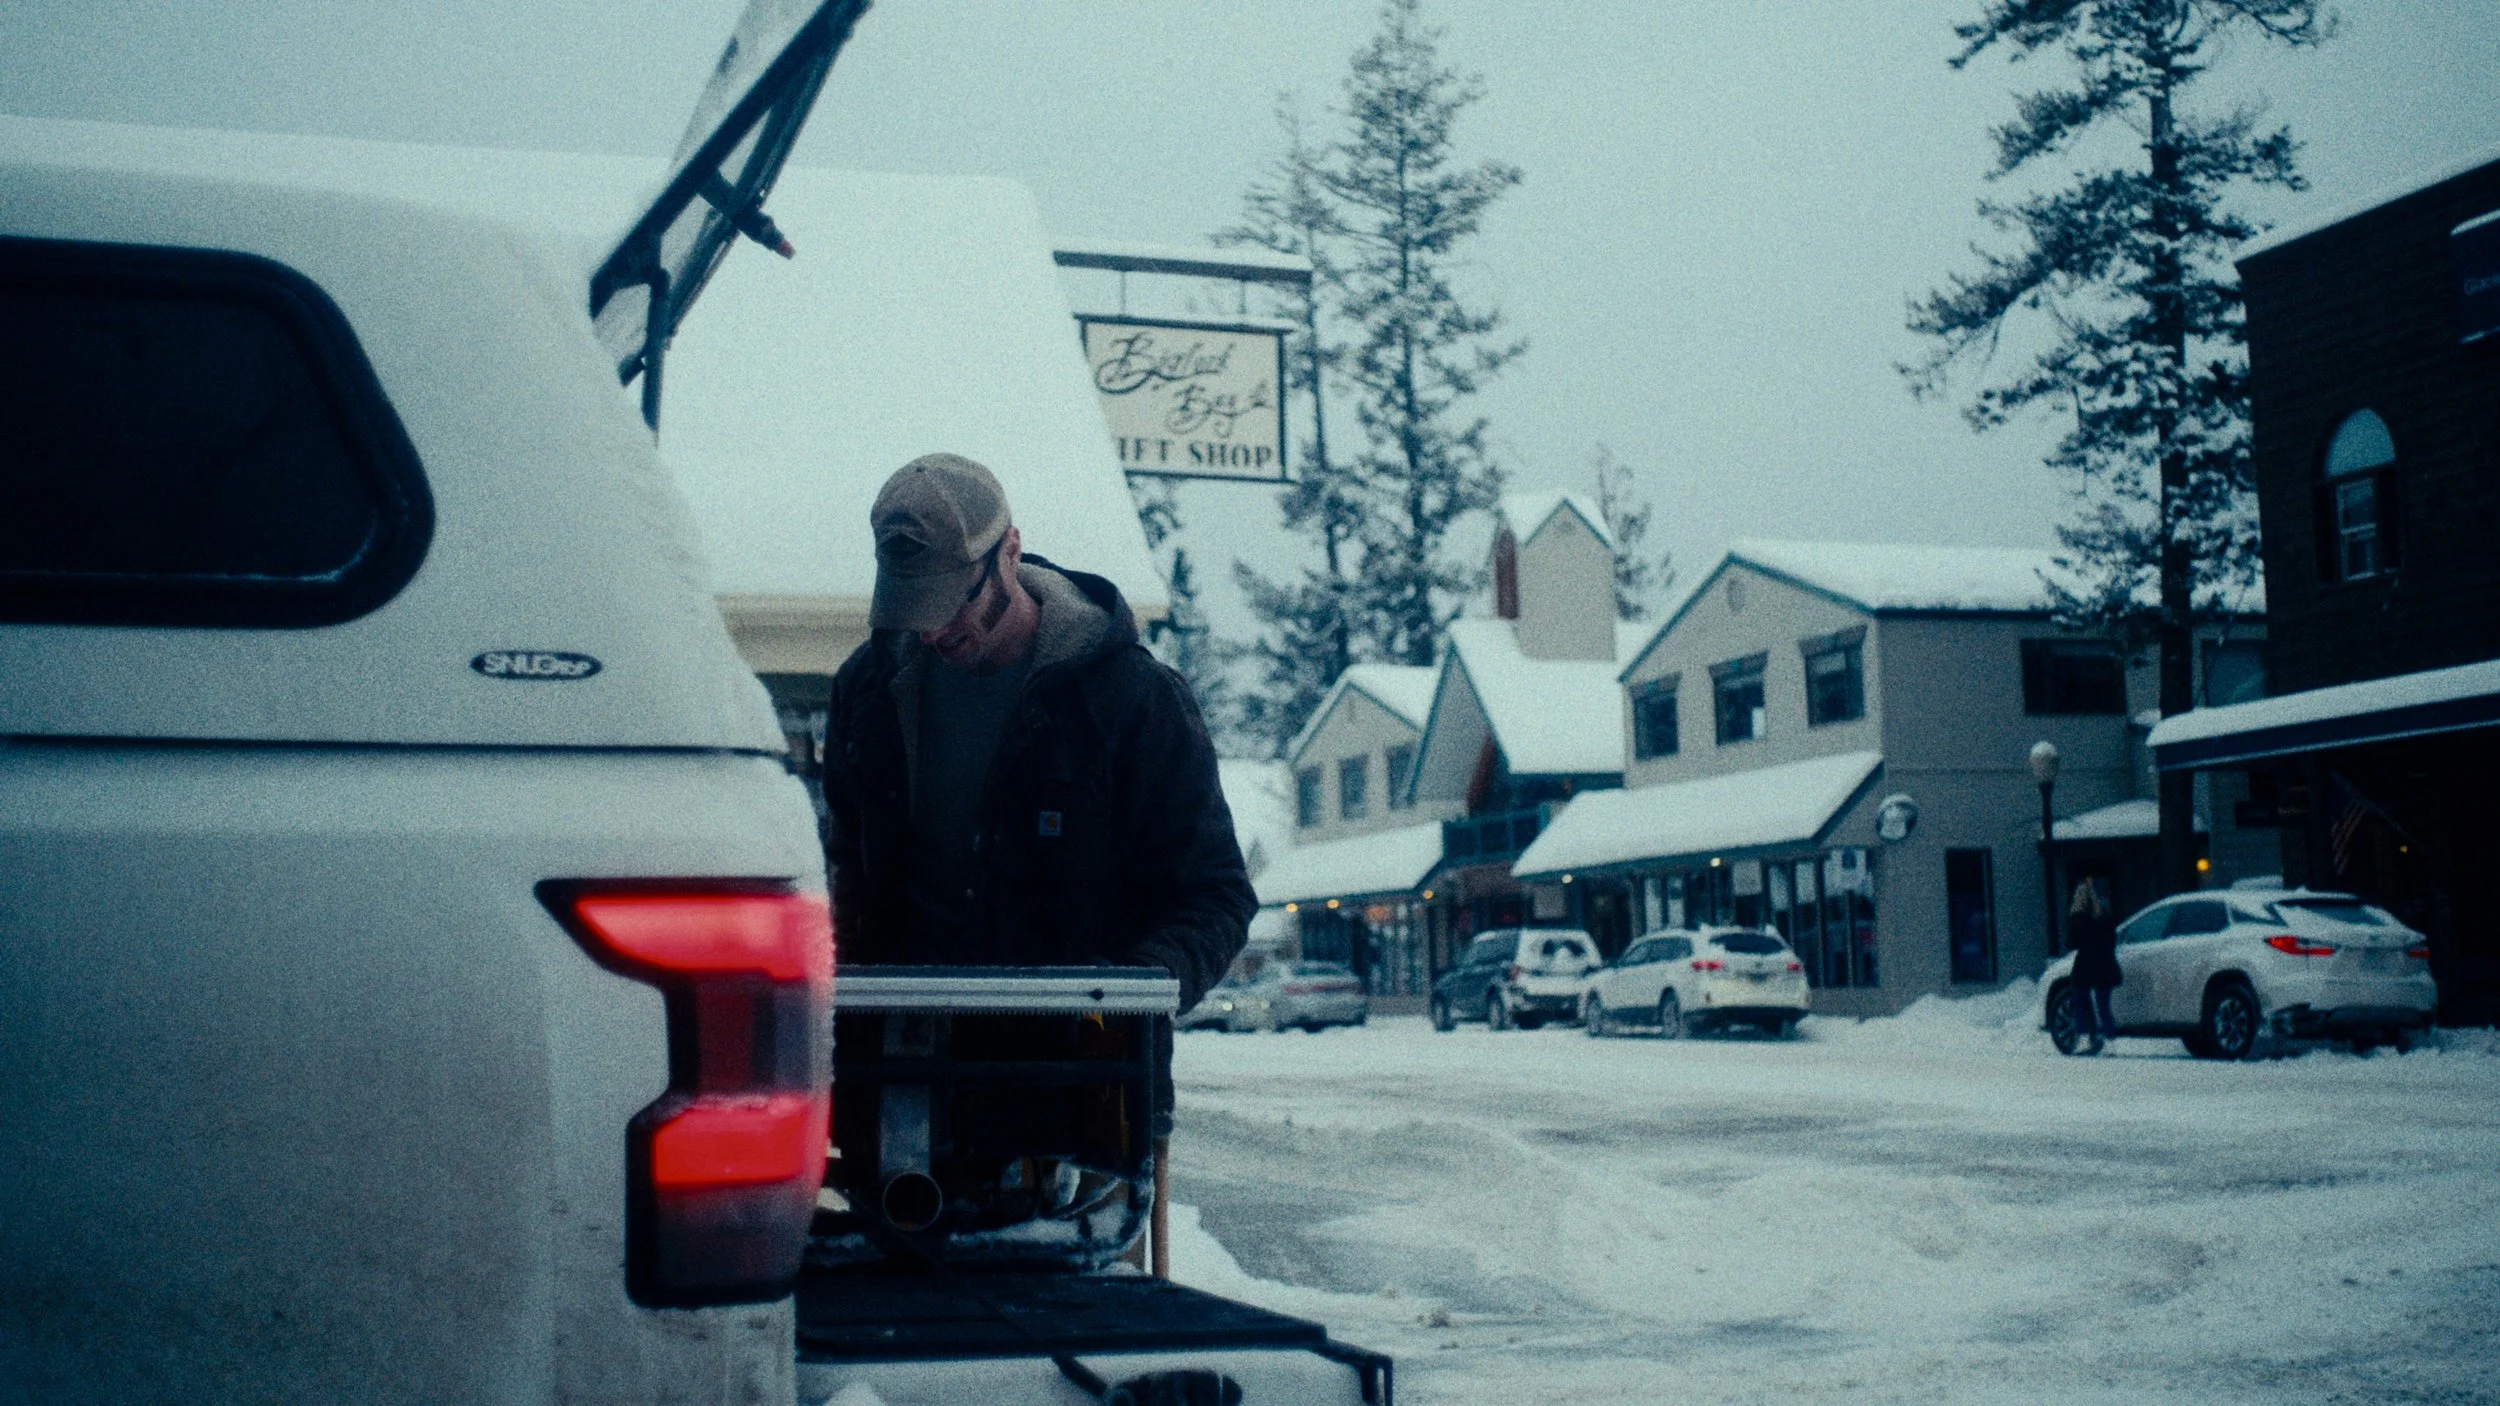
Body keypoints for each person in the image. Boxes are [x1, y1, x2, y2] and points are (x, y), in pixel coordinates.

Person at [820, 451, 1253, 1013]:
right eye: (912, 607)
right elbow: (843, 871)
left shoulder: (1131, 698)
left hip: (1079, 1075)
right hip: (894, 1059)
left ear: (1010, 551)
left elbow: (1215, 895)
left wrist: (1122, 1001)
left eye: (953, 603)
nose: (932, 631)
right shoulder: (868, 690)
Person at [2065, 876, 2120, 1056]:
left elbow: (2071, 943)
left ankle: (2084, 1039)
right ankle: (2110, 1042)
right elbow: (2112, 940)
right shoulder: (2106, 917)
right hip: (2105, 964)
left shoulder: (2078, 919)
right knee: (2104, 1006)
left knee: (2081, 1003)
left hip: (2085, 965)